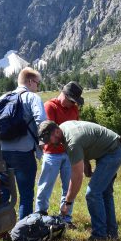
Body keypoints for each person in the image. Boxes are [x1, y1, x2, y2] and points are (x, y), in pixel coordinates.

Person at [37, 119, 121, 241]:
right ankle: (111, 234)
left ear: (56, 132)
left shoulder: (72, 142)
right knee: (104, 193)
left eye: (49, 140)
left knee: (93, 194)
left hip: (113, 152)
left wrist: (67, 203)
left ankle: (99, 236)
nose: (50, 144)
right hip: (111, 149)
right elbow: (85, 144)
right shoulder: (64, 128)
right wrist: (86, 163)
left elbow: (77, 177)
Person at [0, 67, 46, 220]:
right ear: (30, 81)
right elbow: (42, 121)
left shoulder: (4, 97)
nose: (38, 87)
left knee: (4, 192)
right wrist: (43, 143)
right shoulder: (32, 98)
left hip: (2, 151)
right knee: (26, 194)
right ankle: (23, 231)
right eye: (38, 83)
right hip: (24, 152)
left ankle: (2, 228)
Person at [34, 81, 83, 224]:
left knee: (69, 187)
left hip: (69, 154)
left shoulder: (74, 109)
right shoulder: (50, 106)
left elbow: (76, 128)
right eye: (71, 100)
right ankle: (40, 216)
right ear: (64, 95)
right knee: (45, 186)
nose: (73, 104)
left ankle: (65, 218)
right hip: (52, 154)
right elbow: (52, 133)